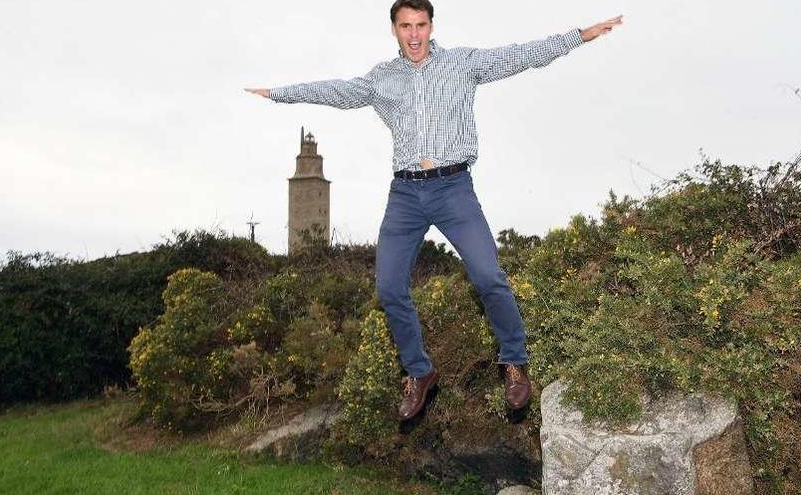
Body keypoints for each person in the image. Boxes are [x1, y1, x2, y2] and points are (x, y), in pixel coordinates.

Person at [245, 0, 622, 421]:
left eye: (421, 25)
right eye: (405, 26)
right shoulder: (381, 79)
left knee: (489, 276)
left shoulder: (463, 64)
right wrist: (279, 94)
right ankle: (419, 372)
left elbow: (522, 56)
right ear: (394, 29)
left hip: (453, 187)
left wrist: (580, 36)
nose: (414, 34)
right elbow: (337, 90)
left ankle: (514, 362)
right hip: (405, 194)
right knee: (389, 288)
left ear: (431, 26)